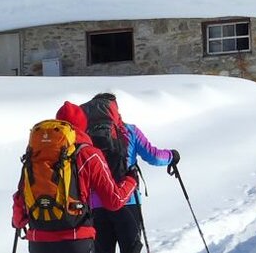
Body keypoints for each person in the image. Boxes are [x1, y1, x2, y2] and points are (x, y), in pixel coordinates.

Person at [13, 102, 140, 253]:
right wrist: (131, 180)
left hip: (38, 242)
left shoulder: (36, 154)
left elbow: (20, 209)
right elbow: (114, 200)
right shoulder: (88, 153)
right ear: (83, 126)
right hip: (76, 240)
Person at [83, 93, 180, 253]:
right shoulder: (129, 131)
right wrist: (172, 156)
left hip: (95, 204)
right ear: (115, 110)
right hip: (127, 200)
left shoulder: (84, 136)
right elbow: (153, 156)